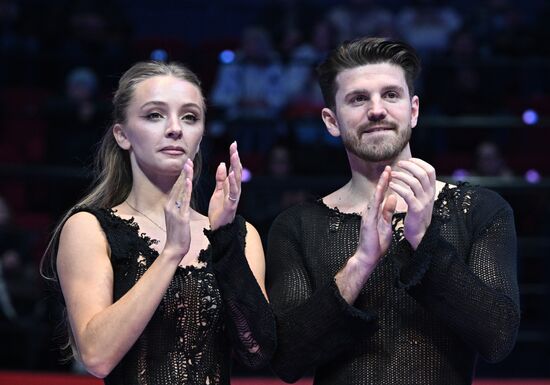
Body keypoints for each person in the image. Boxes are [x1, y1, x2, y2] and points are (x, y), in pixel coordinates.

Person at [266, 37, 520, 385]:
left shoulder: (480, 210)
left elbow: (498, 339)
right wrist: (360, 263)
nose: (376, 110)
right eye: (358, 99)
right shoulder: (297, 225)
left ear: (413, 110)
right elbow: (288, 359)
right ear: (331, 120)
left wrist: (422, 240)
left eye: (391, 95)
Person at [40, 61, 275, 384]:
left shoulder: (238, 233)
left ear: (201, 133)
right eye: (155, 115)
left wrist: (224, 242)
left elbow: (258, 351)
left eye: (190, 117)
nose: (175, 128)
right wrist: (171, 253)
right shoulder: (89, 228)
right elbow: (97, 355)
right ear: (122, 135)